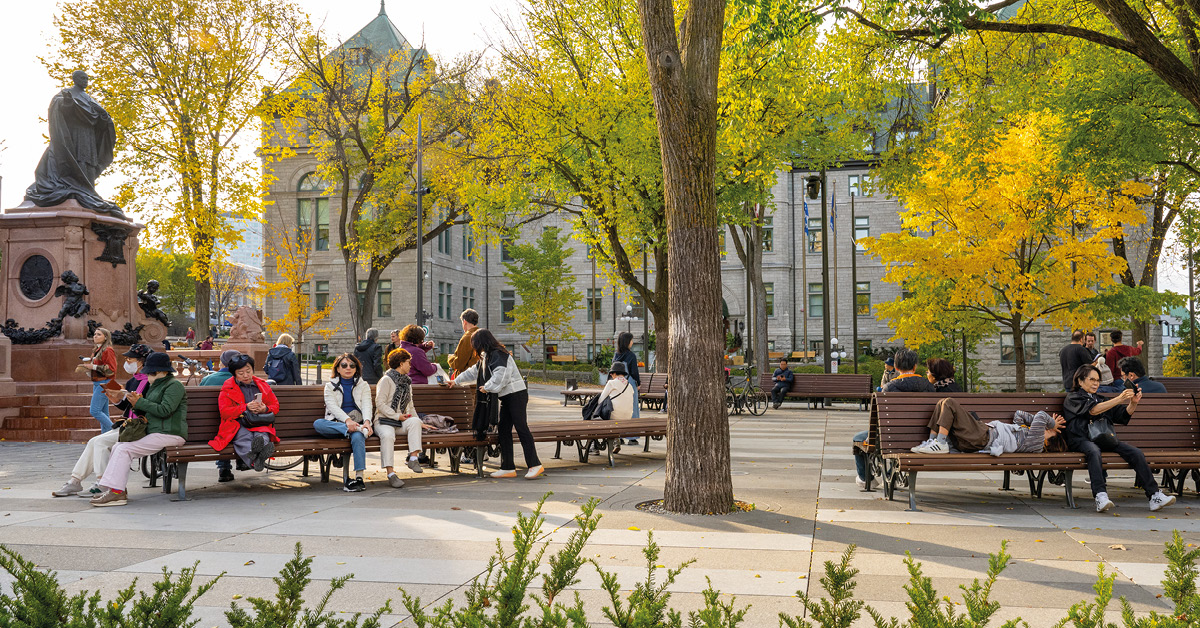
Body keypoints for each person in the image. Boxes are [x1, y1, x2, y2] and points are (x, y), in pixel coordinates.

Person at [1062, 364, 1175, 513]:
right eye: (1092, 379)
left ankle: (1154, 496)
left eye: (1098, 380)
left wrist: (1133, 403)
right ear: (1081, 381)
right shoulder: (1073, 397)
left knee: (1135, 452)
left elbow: (1122, 416)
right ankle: (1100, 496)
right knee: (1094, 451)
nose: (1096, 383)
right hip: (1080, 439)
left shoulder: (1100, 398)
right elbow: (1093, 410)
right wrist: (1119, 398)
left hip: (1103, 439)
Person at [89, 352, 188, 507]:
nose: (147, 376)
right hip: (157, 432)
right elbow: (148, 410)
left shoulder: (174, 385)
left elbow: (165, 410)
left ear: (160, 372)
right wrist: (132, 401)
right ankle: (115, 489)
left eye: (149, 372)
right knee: (118, 446)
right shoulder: (156, 386)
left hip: (170, 433)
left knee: (124, 449)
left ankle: (116, 492)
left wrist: (140, 402)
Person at [53, 344, 152, 498]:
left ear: (141, 361)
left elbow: (148, 407)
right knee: (94, 441)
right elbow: (125, 407)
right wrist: (116, 398)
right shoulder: (133, 381)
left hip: (141, 427)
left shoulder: (151, 382)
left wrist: (130, 398)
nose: (127, 362)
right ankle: (75, 481)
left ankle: (103, 484)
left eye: (130, 359)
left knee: (100, 442)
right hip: (128, 425)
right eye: (126, 358)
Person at [447, 329, 543, 479]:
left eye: (474, 344)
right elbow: (474, 371)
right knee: (504, 430)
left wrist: (487, 387)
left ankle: (535, 464)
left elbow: (501, 375)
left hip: (516, 395)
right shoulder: (488, 355)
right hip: (507, 397)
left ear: (481, 342)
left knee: (521, 428)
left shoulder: (499, 354)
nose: (474, 347)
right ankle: (507, 467)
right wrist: (456, 381)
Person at [911, 397, 1067, 455]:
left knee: (949, 403)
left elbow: (1041, 415)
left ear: (1049, 442)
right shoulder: (1026, 434)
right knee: (941, 403)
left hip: (982, 436)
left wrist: (1053, 423)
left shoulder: (1037, 443)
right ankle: (933, 442)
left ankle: (940, 443)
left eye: (1050, 432)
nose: (1047, 429)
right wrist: (1047, 425)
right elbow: (1019, 414)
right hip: (978, 436)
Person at [211, 354, 280, 473]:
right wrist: (245, 408)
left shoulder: (262, 385)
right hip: (237, 424)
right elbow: (225, 412)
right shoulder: (228, 388)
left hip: (259, 421)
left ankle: (256, 457)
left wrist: (265, 409)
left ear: (253, 369)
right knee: (244, 438)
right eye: (241, 373)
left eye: (248, 371)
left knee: (262, 435)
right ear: (234, 374)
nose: (246, 375)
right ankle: (256, 459)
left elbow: (275, 405)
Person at [375, 348, 433, 488]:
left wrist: (420, 423)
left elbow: (410, 406)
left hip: (400, 421)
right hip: (384, 420)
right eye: (408, 362)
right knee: (388, 436)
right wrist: (396, 416)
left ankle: (413, 458)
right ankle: (391, 474)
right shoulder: (386, 380)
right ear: (401, 364)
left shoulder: (407, 382)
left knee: (414, 421)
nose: (410, 365)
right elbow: (380, 403)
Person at [317, 354, 373, 492]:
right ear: (337, 368)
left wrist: (366, 422)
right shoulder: (330, 386)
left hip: (358, 424)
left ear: (356, 368)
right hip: (337, 425)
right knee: (318, 423)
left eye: (352, 365)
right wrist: (348, 422)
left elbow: (367, 404)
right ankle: (354, 429)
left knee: (358, 437)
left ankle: (359, 478)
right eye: (344, 365)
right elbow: (332, 407)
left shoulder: (363, 385)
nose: (348, 368)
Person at [202, 349, 247, 482]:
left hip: (208, 428)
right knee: (239, 421)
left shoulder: (207, 380)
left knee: (223, 426)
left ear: (221, 363)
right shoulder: (244, 380)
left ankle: (224, 468)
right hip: (237, 426)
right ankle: (242, 459)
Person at [85, 327, 118, 433]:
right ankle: (106, 437)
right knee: (104, 412)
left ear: (105, 337)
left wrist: (93, 367)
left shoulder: (108, 350)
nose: (95, 336)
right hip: (98, 382)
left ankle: (116, 430)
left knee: (95, 411)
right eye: (95, 334)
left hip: (105, 383)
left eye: (99, 334)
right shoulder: (97, 350)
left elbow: (112, 369)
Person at [614, 331, 641, 445]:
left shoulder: (616, 355)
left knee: (618, 409)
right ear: (627, 342)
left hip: (617, 384)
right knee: (632, 408)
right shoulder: (631, 356)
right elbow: (634, 372)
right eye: (631, 340)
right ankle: (632, 437)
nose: (632, 342)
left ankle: (618, 435)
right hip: (629, 384)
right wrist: (638, 383)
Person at [447, 309, 480, 378]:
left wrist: (450, 358)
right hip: (480, 376)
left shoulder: (467, 337)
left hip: (467, 379)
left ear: (464, 322)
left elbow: (459, 364)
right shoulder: (482, 334)